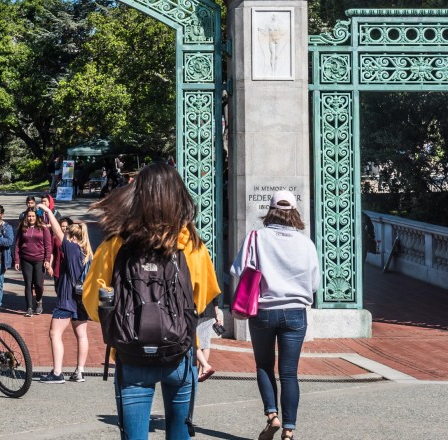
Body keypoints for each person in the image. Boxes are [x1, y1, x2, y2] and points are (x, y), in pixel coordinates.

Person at [83, 162, 221, 440]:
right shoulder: (191, 244)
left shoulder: (116, 243)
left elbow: (92, 300)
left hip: (131, 353)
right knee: (179, 432)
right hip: (179, 352)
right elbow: (204, 296)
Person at [231, 190, 319, 440]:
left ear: (270, 210)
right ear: (294, 212)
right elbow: (314, 283)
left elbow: (238, 269)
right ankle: (289, 430)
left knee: (264, 365)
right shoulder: (306, 243)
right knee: (290, 372)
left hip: (264, 310)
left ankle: (272, 415)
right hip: (295, 313)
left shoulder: (257, 237)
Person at [39, 211, 93, 383]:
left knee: (54, 333)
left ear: (72, 236)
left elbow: (57, 232)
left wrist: (48, 212)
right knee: (82, 334)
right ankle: (80, 371)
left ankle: (57, 372)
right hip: (81, 299)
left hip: (67, 298)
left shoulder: (72, 249)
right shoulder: (87, 254)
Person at [14, 205, 52, 317]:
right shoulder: (23, 228)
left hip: (39, 259)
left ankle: (39, 300)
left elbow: (48, 245)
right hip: (26, 259)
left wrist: (47, 259)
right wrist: (16, 260)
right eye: (29, 216)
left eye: (33, 216)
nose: (31, 218)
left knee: (39, 284)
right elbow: (17, 245)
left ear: (37, 217)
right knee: (28, 284)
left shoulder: (43, 228)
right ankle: (29, 307)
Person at [196, 304, 224, 382]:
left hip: (198, 312)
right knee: (205, 343)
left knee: (197, 342)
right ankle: (201, 371)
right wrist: (217, 315)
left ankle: (202, 370)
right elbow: (216, 299)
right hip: (209, 312)